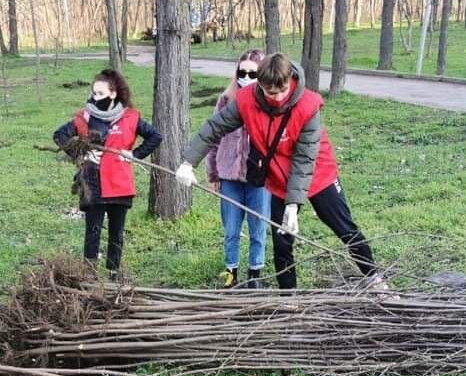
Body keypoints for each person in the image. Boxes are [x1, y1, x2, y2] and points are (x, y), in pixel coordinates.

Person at [176, 53, 391, 294]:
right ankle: (289, 296)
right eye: (271, 93)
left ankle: (374, 278)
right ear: (259, 84)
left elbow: (304, 159)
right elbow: (215, 126)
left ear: (290, 80)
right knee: (281, 241)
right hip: (278, 179)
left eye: (283, 91)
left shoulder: (308, 106)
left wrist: (293, 204)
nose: (278, 98)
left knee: (344, 227)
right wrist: (188, 162)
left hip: (318, 174)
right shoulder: (246, 100)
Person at [53, 69, 162, 279]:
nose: (96, 98)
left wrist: (134, 154)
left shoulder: (130, 117)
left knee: (116, 232)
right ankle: (90, 275)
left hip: (120, 184)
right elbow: (59, 135)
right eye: (94, 93)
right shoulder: (85, 117)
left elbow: (155, 137)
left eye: (101, 94)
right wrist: (81, 153)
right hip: (92, 184)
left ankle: (113, 273)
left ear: (113, 94)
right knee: (92, 231)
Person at [204, 49, 270, 289]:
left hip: (258, 178)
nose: (246, 77)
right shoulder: (226, 100)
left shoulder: (269, 103)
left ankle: (255, 275)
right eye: (242, 72)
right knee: (231, 229)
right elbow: (212, 137)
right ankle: (231, 274)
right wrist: (213, 173)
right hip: (229, 176)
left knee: (258, 228)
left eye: (252, 73)